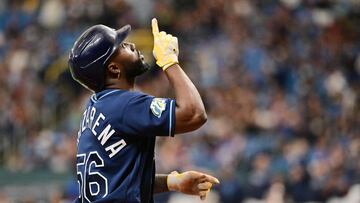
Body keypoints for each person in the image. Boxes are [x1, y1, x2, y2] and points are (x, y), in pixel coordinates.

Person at [68, 18, 220, 203]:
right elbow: (194, 114)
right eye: (122, 46)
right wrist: (169, 61)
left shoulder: (96, 107)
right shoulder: (124, 104)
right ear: (114, 69)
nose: (131, 44)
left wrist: (173, 182)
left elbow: (120, 181)